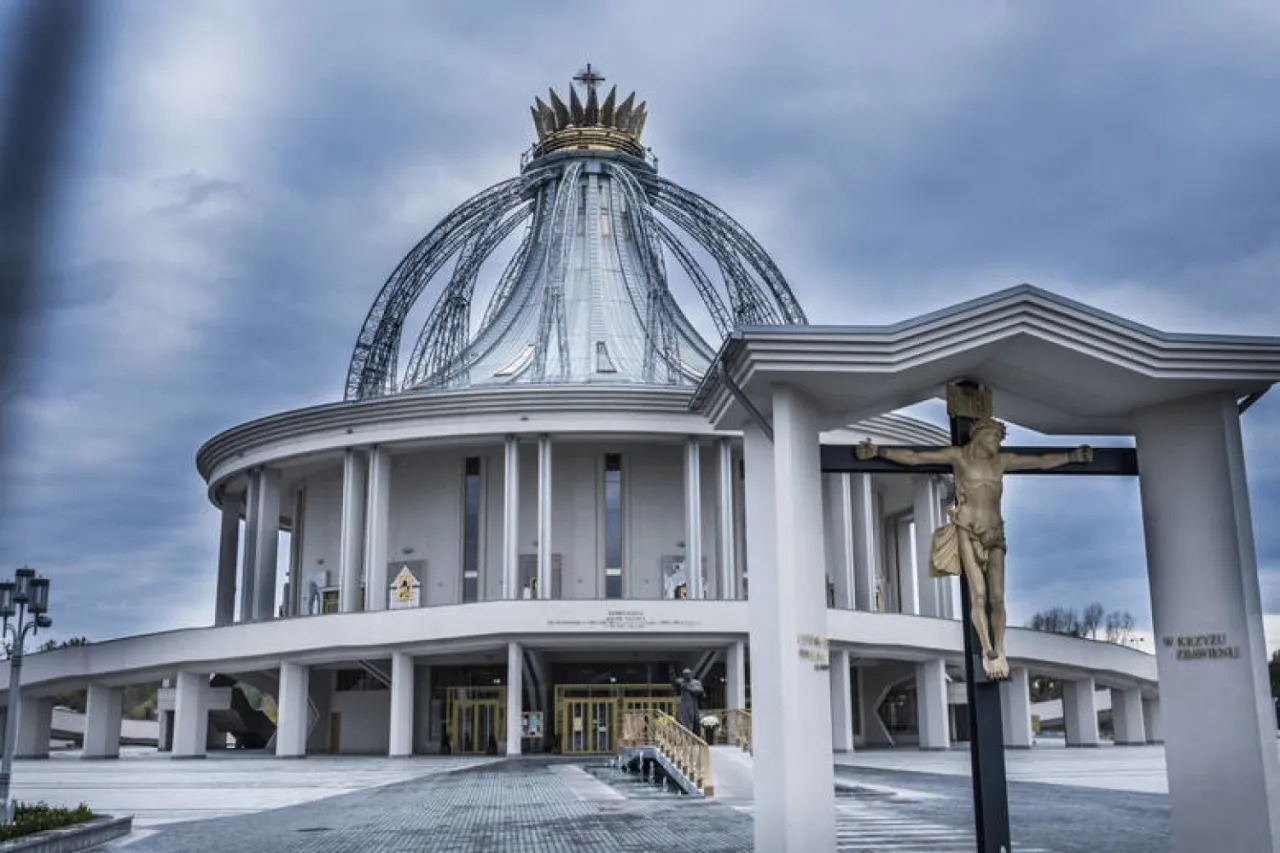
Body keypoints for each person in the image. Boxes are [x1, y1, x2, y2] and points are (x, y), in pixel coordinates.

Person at [857, 419, 1092, 679]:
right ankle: (987, 648)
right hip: (967, 530)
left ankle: (1001, 647)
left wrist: (1072, 456)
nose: (998, 443)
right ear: (979, 436)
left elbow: (1042, 460)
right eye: (994, 437)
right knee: (978, 594)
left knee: (998, 598)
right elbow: (915, 457)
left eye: (1000, 439)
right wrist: (880, 452)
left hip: (995, 533)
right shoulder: (959, 457)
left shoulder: (1001, 462)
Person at [672, 667, 704, 731]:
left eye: (688, 674)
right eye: (685, 674)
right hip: (684, 704)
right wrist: (672, 672)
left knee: (693, 719)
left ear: (691, 674)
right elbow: (675, 681)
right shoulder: (682, 681)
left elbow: (699, 691)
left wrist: (687, 688)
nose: (687, 676)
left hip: (693, 704)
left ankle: (692, 732)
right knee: (681, 719)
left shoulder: (696, 682)